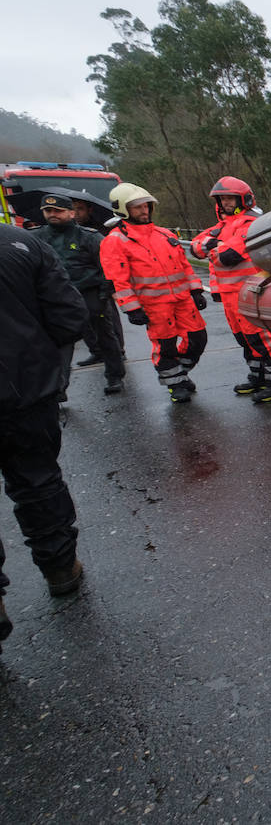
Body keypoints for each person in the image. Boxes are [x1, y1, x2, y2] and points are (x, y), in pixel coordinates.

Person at [0, 222, 90, 651]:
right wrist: (34, 355)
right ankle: (60, 568)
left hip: (23, 382)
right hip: (23, 388)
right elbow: (69, 316)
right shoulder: (21, 244)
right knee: (38, 480)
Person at [100, 183, 208, 403]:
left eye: (146, 206)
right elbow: (117, 279)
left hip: (182, 300)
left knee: (198, 339)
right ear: (123, 209)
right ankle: (175, 383)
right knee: (165, 346)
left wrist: (196, 290)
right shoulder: (115, 240)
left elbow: (185, 265)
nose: (144, 210)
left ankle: (179, 373)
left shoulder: (164, 234)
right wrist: (132, 308)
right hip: (153, 305)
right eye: (137, 207)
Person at [191, 177, 271, 403]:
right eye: (223, 199)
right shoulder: (223, 226)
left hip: (249, 291)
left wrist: (212, 247)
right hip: (229, 294)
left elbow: (228, 256)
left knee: (261, 336)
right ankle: (258, 376)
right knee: (244, 339)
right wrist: (212, 246)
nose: (226, 203)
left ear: (242, 198)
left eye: (230, 198)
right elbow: (196, 247)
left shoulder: (250, 223)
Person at [31, 193, 127, 395]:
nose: (53, 214)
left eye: (58, 210)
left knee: (105, 335)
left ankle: (115, 376)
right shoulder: (36, 238)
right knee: (60, 343)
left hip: (89, 293)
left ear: (71, 213)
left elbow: (106, 268)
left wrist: (104, 295)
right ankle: (59, 387)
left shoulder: (89, 237)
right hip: (56, 298)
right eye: (48, 211)